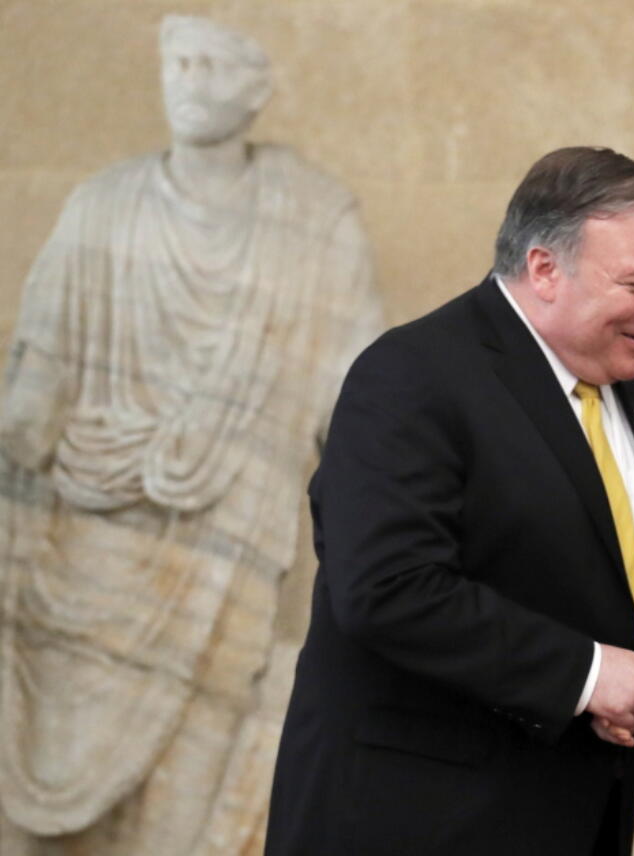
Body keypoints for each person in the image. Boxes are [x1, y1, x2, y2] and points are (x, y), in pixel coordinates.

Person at [264, 146, 634, 856]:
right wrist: (584, 672)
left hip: (577, 821)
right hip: (414, 824)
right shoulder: (412, 376)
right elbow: (386, 587)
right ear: (545, 269)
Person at [0, 16, 383, 855]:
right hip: (86, 533)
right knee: (52, 762)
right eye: (176, 62)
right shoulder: (101, 205)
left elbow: (359, 398)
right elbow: (36, 384)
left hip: (231, 530)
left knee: (201, 765)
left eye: (209, 65)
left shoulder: (313, 219)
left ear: (253, 90)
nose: (186, 80)